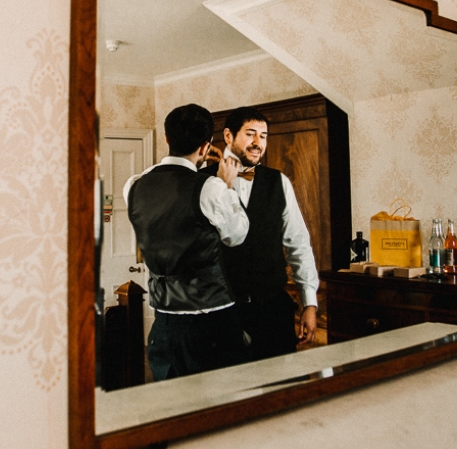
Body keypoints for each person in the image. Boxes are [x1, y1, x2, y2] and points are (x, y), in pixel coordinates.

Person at [123, 104, 249, 381]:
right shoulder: (211, 188)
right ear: (206, 147)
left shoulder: (133, 185)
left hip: (164, 325)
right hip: (211, 325)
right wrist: (227, 184)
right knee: (222, 412)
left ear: (167, 138)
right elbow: (237, 235)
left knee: (172, 411)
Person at [202, 106, 319, 361]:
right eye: (250, 134)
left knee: (282, 389)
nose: (258, 143)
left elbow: (299, 245)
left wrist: (309, 303)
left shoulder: (280, 182)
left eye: (263, 136)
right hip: (219, 312)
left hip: (272, 310)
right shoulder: (201, 181)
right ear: (229, 136)